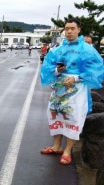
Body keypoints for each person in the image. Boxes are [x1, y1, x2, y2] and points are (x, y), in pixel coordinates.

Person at [40, 18, 104, 165]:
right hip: (59, 87)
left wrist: (76, 77)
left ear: (78, 29)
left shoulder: (87, 49)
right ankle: (56, 146)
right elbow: (47, 66)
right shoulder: (58, 49)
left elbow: (97, 68)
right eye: (66, 28)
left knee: (73, 116)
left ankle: (68, 150)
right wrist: (57, 70)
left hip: (78, 89)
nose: (69, 31)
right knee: (55, 113)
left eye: (72, 28)